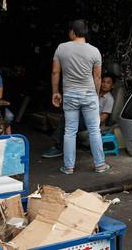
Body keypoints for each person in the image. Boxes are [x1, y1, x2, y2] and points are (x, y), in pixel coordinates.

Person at [51, 20, 110, 174]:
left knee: (70, 131)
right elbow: (97, 77)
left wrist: (55, 92)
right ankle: (100, 165)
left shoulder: (61, 48)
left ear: (73, 32)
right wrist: (96, 95)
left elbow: (56, 72)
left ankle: (68, 167)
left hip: (70, 94)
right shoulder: (95, 51)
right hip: (89, 94)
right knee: (94, 130)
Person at [42, 74, 115, 158]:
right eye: (103, 82)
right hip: (84, 117)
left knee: (68, 121)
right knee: (67, 118)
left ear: (112, 86)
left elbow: (104, 117)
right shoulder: (95, 94)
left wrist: (90, 120)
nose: (105, 84)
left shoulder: (109, 99)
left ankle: (58, 147)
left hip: (93, 121)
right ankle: (59, 145)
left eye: (108, 83)